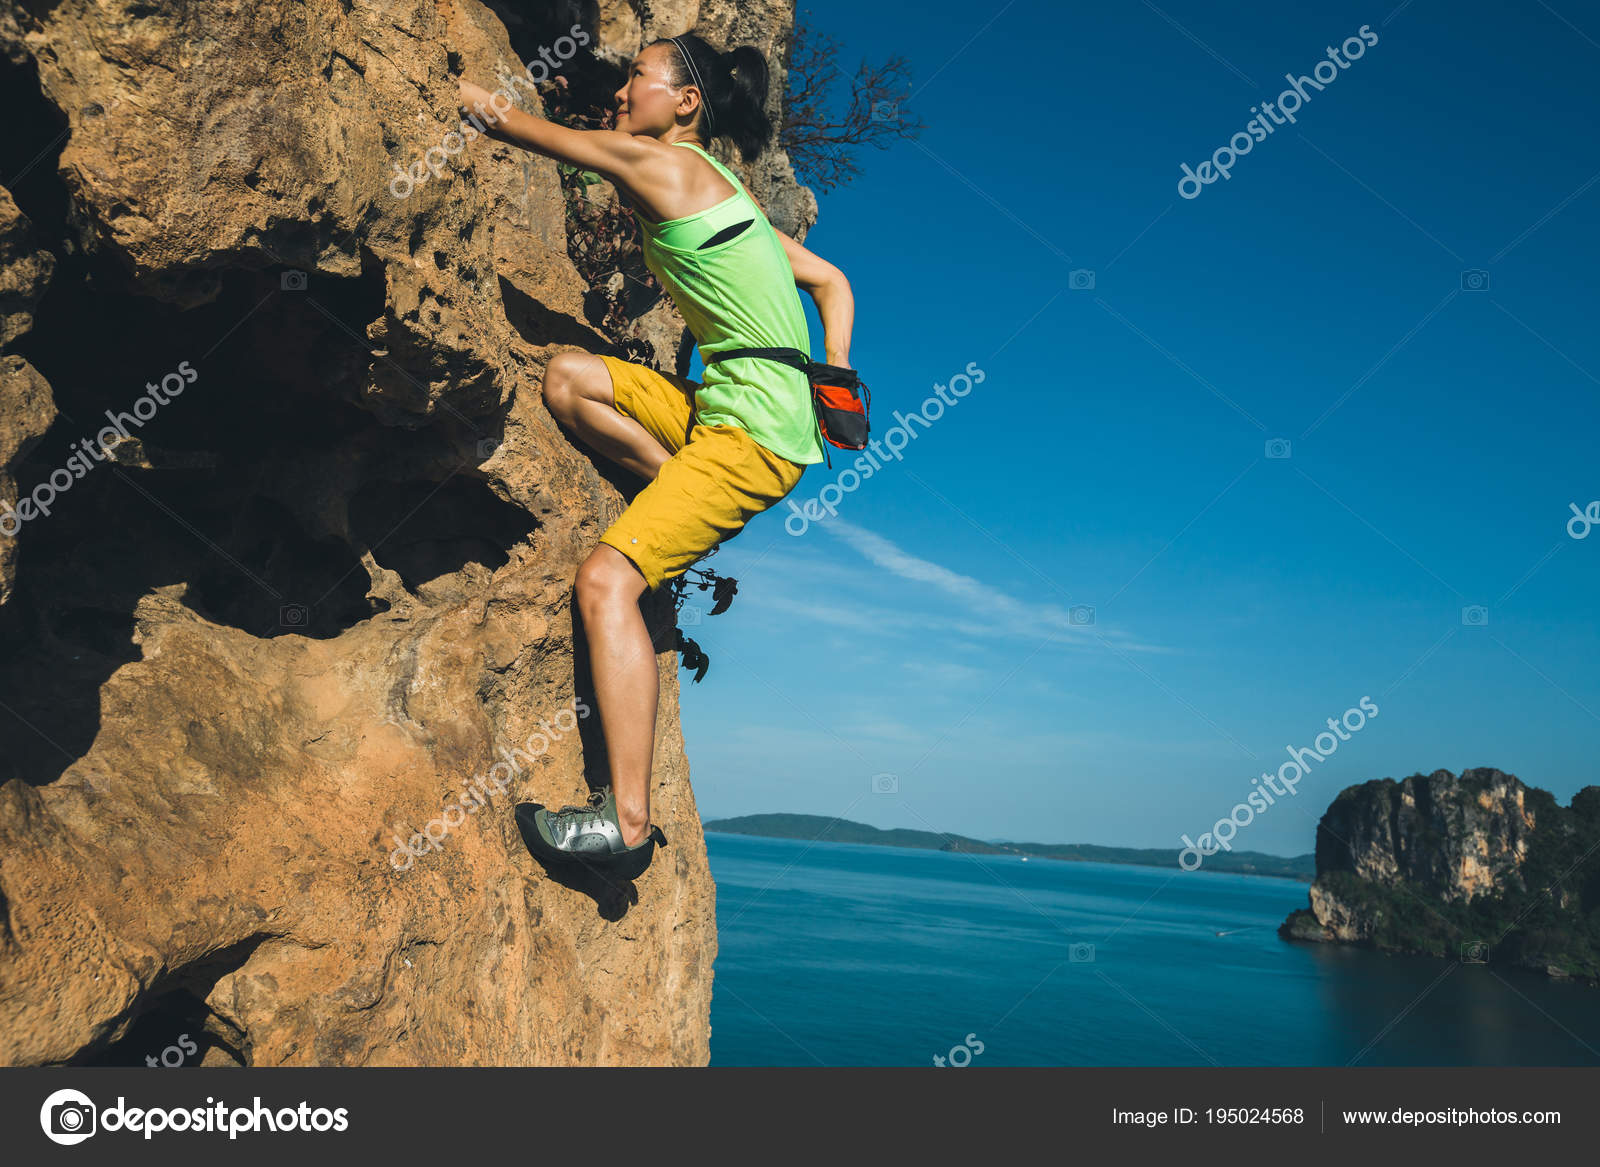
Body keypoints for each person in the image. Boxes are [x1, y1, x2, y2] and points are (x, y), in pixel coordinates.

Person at [457, 31, 855, 868]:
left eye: (640, 75)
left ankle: (626, 826)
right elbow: (831, 282)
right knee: (569, 379)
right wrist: (838, 376)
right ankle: (680, 501)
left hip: (751, 438)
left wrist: (444, 89)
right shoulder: (734, 195)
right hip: (723, 411)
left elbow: (529, 131)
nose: (624, 86)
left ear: (685, 104)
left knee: (606, 583)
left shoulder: (665, 166)